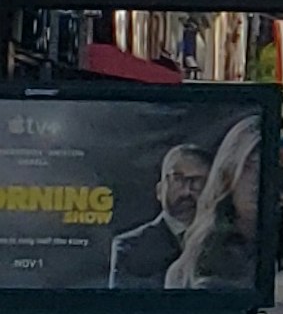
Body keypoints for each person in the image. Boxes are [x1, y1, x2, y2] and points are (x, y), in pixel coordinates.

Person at [165, 117, 269, 289]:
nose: (256, 179)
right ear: (227, 174)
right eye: (249, 166)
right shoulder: (193, 264)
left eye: (262, 166)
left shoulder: (267, 251)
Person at [111, 143, 211, 287]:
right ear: (159, 190)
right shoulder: (130, 247)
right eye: (178, 179)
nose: (187, 191)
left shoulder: (229, 244)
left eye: (198, 181)